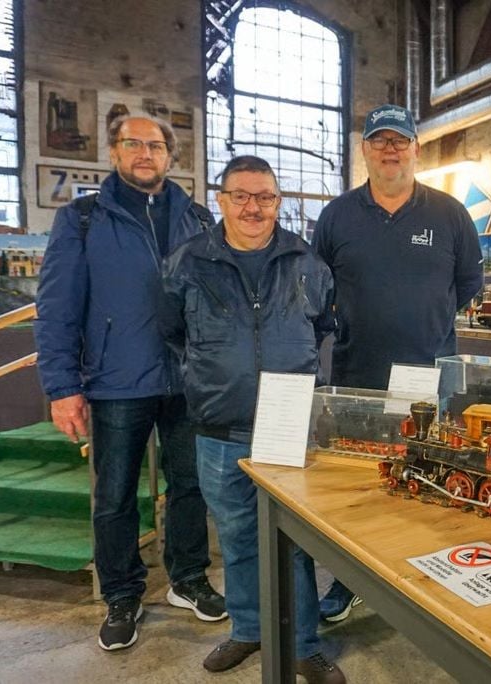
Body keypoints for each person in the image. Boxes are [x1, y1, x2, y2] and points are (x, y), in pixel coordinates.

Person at [35, 114, 226, 652]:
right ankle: (122, 594)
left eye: (155, 145)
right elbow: (57, 306)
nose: (145, 153)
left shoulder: (196, 218)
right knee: (115, 494)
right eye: (133, 143)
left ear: (170, 155)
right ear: (114, 151)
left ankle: (188, 578)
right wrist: (61, 387)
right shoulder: (83, 219)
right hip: (117, 379)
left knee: (190, 485)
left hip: (187, 381)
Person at [159, 155, 344, 682]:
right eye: (240, 195)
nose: (252, 207)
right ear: (221, 200)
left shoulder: (307, 263)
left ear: (278, 202)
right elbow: (172, 332)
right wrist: (215, 373)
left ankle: (302, 643)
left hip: (289, 431)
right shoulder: (187, 263)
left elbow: (322, 328)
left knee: (295, 543)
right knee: (238, 536)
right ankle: (247, 629)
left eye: (264, 197)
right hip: (220, 429)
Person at [311, 103, 484, 622]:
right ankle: (348, 579)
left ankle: (421, 583)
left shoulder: (449, 215)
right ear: (364, 150)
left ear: (415, 149)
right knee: (355, 487)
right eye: (379, 140)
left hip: (428, 380)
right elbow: (319, 288)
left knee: (427, 480)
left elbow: (467, 286)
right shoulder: (337, 216)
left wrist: (423, 323)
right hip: (357, 377)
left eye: (399, 140)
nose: (390, 149)